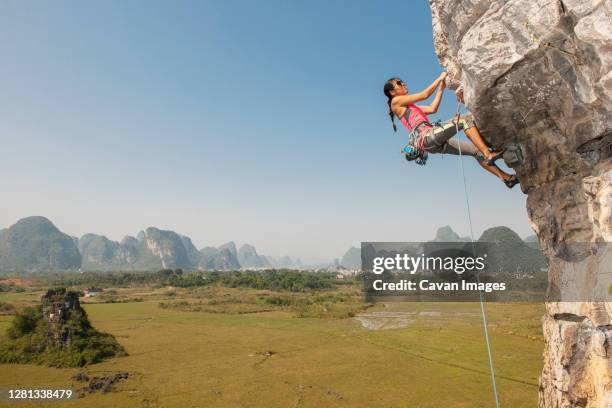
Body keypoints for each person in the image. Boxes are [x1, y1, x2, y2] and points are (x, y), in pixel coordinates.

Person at [383, 73, 519, 188]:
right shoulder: (396, 101)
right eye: (399, 83)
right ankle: (488, 154)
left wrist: (441, 89)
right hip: (427, 137)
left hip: (431, 141)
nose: (404, 84)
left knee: (475, 151)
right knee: (464, 120)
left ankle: (506, 178)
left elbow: (432, 108)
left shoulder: (410, 106)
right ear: (392, 92)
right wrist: (439, 78)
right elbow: (424, 95)